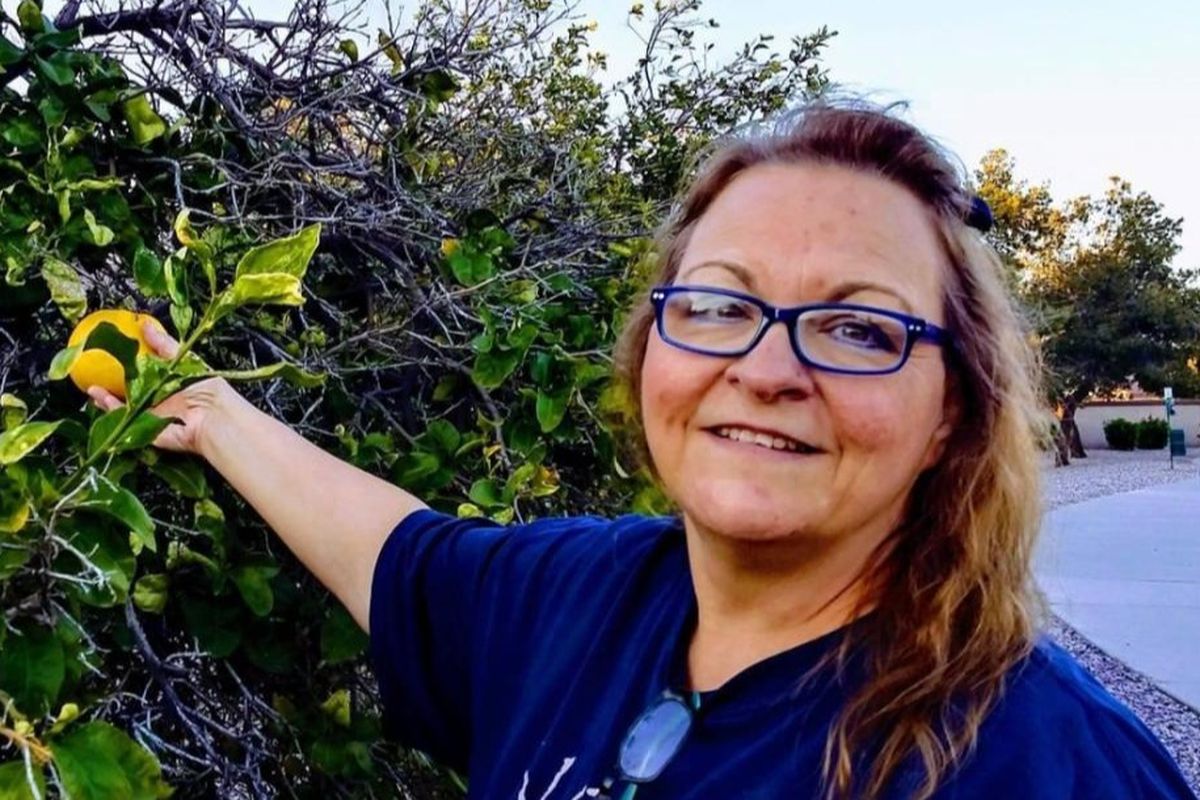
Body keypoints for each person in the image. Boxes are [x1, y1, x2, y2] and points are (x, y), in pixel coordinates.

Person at [89, 100, 1197, 800]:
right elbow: (396, 552)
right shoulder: (576, 599)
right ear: (651, 349)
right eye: (718, 304)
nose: (767, 367)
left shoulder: (1050, 762)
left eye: (857, 328)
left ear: (953, 407)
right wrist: (212, 409)